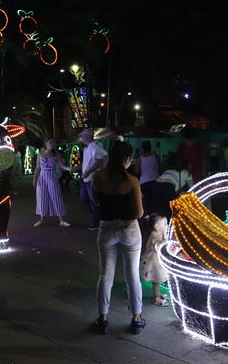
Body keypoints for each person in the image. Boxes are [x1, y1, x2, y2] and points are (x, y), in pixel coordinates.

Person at [91, 141, 145, 335]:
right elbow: (139, 212)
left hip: (106, 228)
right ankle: (136, 318)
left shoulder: (97, 177)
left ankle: (102, 318)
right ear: (127, 159)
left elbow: (96, 202)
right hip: (129, 229)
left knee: (105, 276)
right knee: (132, 276)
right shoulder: (132, 181)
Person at [33, 138, 72, 227]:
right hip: (42, 178)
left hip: (52, 177)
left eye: (54, 142)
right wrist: (35, 179)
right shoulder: (40, 154)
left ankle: (61, 220)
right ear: (45, 143)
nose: (52, 144)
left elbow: (62, 165)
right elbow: (38, 167)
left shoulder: (56, 154)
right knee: (42, 198)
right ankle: (42, 219)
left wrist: (69, 168)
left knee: (56, 197)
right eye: (50, 142)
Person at [77, 129, 108, 231]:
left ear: (89, 136)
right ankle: (98, 218)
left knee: (94, 201)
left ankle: (96, 222)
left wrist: (88, 172)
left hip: (93, 179)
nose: (82, 138)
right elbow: (87, 162)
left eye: (83, 136)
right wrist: (78, 168)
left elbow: (99, 161)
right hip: (87, 179)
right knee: (85, 200)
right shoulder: (87, 148)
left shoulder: (95, 146)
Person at [140, 214, 169, 307]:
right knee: (157, 280)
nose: (167, 226)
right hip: (154, 263)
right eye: (164, 224)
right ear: (157, 227)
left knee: (157, 280)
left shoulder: (157, 233)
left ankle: (158, 294)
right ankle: (156, 298)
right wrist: (164, 240)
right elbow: (157, 245)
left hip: (156, 261)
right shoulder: (154, 235)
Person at [136, 141, 160, 215]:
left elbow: (136, 171)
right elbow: (161, 168)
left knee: (146, 203)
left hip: (144, 183)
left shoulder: (140, 159)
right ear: (150, 147)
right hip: (155, 181)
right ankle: (155, 219)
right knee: (155, 202)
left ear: (142, 148)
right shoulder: (156, 157)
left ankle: (147, 219)